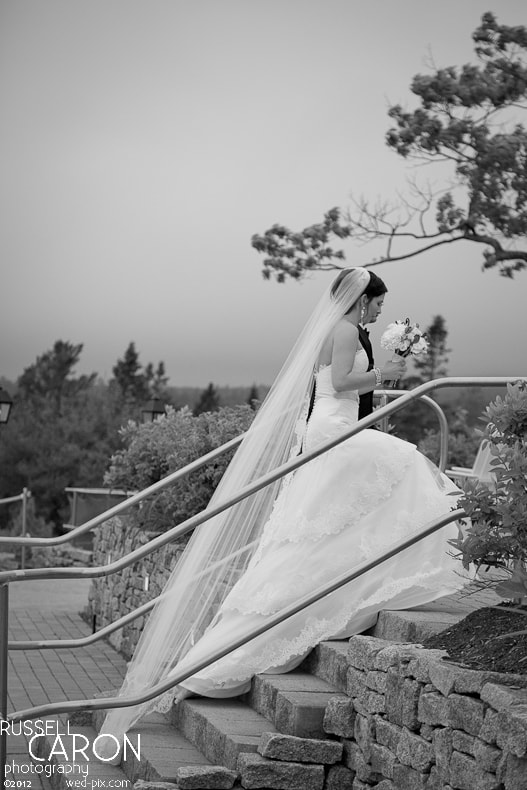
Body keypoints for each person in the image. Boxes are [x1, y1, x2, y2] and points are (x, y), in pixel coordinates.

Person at [100, 267, 465, 749]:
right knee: (407, 464)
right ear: (362, 299)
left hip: (336, 431)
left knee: (325, 529)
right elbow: (339, 381)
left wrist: (381, 367)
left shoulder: (345, 328)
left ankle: (360, 571)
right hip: (334, 434)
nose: (381, 310)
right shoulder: (342, 329)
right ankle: (430, 555)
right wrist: (385, 373)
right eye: (379, 302)